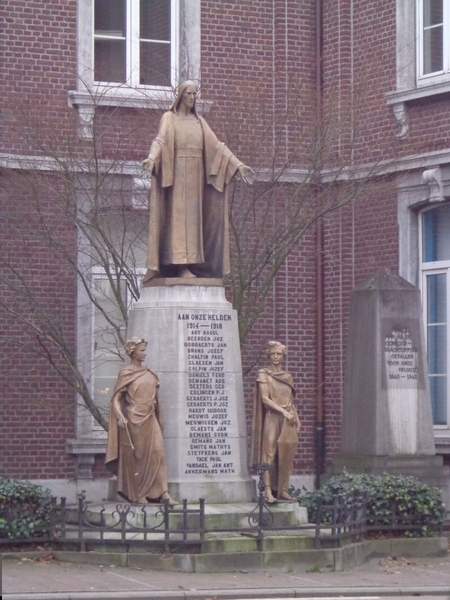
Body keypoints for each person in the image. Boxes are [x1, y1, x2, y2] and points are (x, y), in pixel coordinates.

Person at [142, 80, 254, 281]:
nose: (192, 98)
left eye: (195, 94)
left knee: (194, 222)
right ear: (181, 95)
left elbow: (217, 147)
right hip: (177, 177)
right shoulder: (170, 118)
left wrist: (238, 164)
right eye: (188, 94)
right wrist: (151, 158)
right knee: (179, 221)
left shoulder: (199, 122)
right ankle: (180, 265)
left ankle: (193, 264)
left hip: (196, 177)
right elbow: (160, 140)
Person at [105, 337, 177, 506]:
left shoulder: (150, 373)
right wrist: (120, 416)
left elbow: (157, 399)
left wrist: (161, 416)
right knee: (138, 456)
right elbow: (116, 399)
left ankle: (163, 493)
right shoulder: (126, 373)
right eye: (141, 350)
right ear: (132, 352)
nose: (144, 353)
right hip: (134, 419)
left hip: (150, 418)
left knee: (158, 453)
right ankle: (138, 493)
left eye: (145, 350)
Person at [250, 341, 301, 503]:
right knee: (269, 453)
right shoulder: (263, 375)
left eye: (279, 354)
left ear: (283, 356)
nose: (276, 357)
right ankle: (267, 490)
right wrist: (284, 412)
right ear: (269, 355)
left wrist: (296, 418)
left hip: (288, 418)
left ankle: (283, 489)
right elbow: (265, 400)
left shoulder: (287, 376)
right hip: (273, 417)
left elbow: (291, 401)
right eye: (273, 354)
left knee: (286, 454)